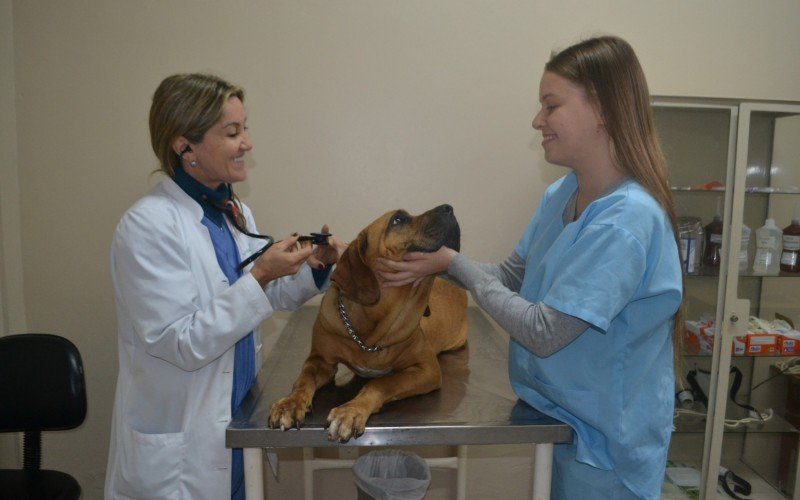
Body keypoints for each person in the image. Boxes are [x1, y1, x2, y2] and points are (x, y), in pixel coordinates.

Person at [378, 36, 683, 499]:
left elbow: (544, 331)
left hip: (607, 446)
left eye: (550, 105)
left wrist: (453, 263)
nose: (537, 120)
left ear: (600, 108)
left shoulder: (626, 222)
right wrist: (428, 262)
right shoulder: (562, 194)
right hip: (560, 419)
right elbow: (509, 279)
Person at [104, 73, 346, 499]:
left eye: (244, 127)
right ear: (186, 148)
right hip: (182, 455)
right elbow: (181, 342)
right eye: (232, 132)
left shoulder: (233, 213)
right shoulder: (147, 226)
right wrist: (261, 274)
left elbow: (255, 302)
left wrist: (312, 270)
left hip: (235, 433)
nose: (247, 142)